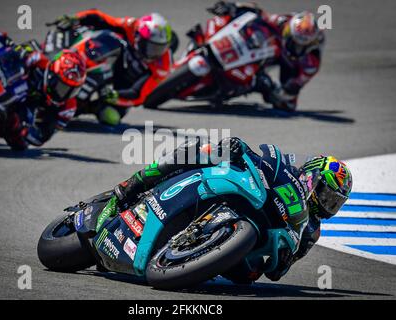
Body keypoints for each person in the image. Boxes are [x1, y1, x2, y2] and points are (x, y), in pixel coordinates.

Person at [101, 137, 352, 283]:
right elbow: (265, 156)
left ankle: (193, 259)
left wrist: (285, 260)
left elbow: (276, 273)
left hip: (254, 241)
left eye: (334, 203)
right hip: (255, 198)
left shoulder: (312, 230)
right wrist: (239, 147)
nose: (327, 204)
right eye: (326, 194)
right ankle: (136, 182)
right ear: (313, 176)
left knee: (248, 279)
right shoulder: (288, 167)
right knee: (203, 150)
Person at [0, 30, 87, 149]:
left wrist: (21, 129)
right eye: (63, 87)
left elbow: (41, 137)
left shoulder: (67, 108)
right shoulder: (38, 60)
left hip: (20, 109)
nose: (65, 93)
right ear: (51, 75)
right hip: (0, 83)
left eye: (72, 90)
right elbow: (7, 42)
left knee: (17, 139)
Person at [203, 1, 325, 111]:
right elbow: (259, 13)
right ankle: (206, 41)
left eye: (299, 45)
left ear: (310, 45)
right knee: (230, 19)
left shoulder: (310, 63)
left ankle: (252, 83)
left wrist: (280, 90)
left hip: (290, 64)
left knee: (286, 104)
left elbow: (294, 87)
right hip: (272, 48)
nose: (293, 45)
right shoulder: (282, 22)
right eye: (292, 39)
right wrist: (232, 6)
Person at [54, 10, 174, 120]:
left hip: (121, 89)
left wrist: (115, 96)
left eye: (160, 48)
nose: (154, 53)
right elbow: (100, 18)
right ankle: (69, 57)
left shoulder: (162, 65)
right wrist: (76, 18)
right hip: (109, 64)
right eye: (151, 47)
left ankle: (87, 107)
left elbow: (139, 95)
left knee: (111, 117)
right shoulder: (131, 26)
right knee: (109, 37)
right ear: (138, 36)